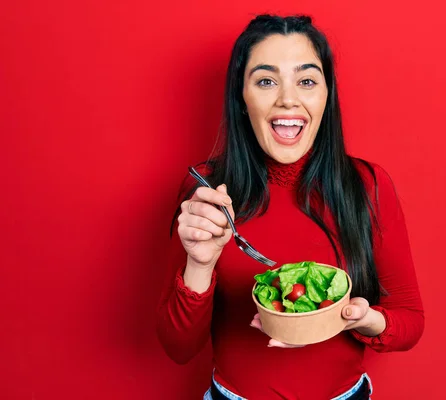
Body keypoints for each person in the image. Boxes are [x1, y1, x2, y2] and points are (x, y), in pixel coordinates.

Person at [156, 14, 424, 400]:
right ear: (241, 99)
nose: (288, 98)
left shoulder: (368, 185)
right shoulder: (207, 192)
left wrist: (364, 320)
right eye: (266, 81)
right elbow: (177, 348)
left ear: (326, 95)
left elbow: (411, 321)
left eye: (307, 80)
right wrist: (199, 264)